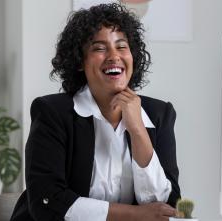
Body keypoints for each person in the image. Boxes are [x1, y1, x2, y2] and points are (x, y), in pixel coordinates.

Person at [10, 3, 181, 221]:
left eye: (121, 46)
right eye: (100, 48)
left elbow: (166, 205)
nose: (113, 56)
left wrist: (138, 131)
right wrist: (135, 215)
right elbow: (47, 202)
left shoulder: (159, 114)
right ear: (80, 61)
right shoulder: (53, 113)